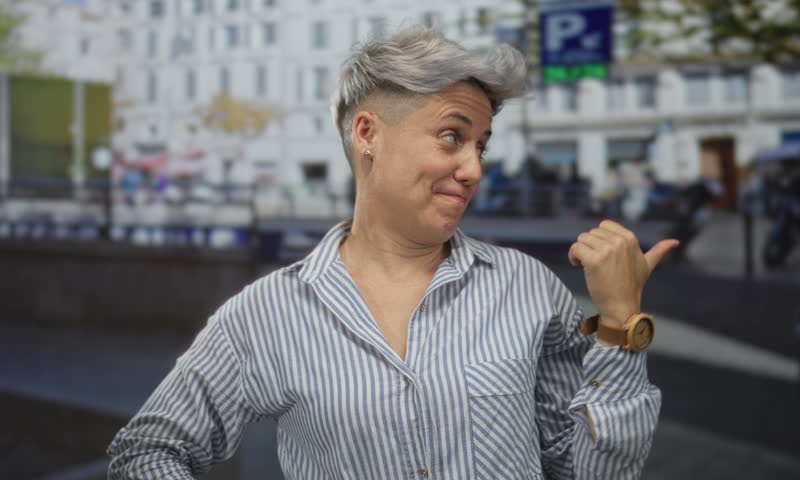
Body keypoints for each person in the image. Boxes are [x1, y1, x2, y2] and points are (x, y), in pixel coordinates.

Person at [107, 26, 678, 479]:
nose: (474, 168)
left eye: (481, 145)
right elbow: (147, 450)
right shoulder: (265, 314)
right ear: (367, 134)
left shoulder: (527, 287)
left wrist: (619, 327)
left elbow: (585, 472)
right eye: (452, 137)